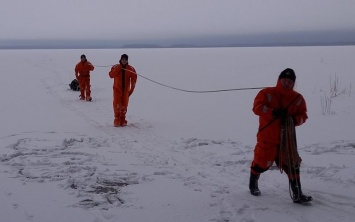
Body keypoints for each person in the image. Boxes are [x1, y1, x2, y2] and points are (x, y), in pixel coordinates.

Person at [249, 68, 313, 203]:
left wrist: (293, 120)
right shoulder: (266, 93)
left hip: (287, 140)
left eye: (290, 81)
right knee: (261, 163)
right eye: (284, 80)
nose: (286, 83)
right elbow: (257, 108)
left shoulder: (298, 98)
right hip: (268, 137)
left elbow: (303, 116)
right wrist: (273, 112)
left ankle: (297, 194)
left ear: (293, 83)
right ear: (279, 80)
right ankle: (253, 183)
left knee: (292, 165)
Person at [109, 54, 137, 127]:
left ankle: (123, 119)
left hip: (126, 91)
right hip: (117, 90)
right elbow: (111, 75)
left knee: (124, 105)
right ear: (120, 60)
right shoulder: (116, 67)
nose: (124, 61)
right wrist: (119, 67)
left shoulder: (131, 69)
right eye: (123, 59)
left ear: (127, 60)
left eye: (125, 60)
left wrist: (131, 91)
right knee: (117, 105)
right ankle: (117, 120)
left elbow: (134, 80)